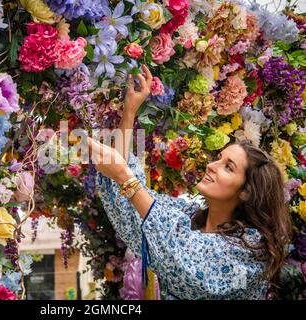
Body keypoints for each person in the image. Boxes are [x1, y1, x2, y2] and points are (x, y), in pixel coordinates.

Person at [87, 65, 292, 300]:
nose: (212, 165)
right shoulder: (189, 216)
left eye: (228, 167)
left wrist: (124, 177)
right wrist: (130, 111)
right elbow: (133, 206)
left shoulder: (251, 250)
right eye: (219, 158)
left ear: (246, 192)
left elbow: (185, 257)